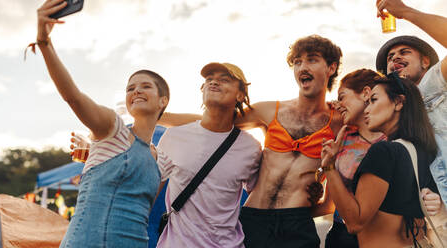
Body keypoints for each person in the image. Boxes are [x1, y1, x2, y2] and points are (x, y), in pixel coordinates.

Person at [159, 35, 343, 247]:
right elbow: (215, 120)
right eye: (298, 62)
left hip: (297, 224)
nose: (303, 67)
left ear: (331, 67)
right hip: (255, 219)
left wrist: (309, 201)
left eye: (312, 59)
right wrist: (158, 116)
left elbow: (332, 197)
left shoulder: (340, 121)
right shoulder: (269, 110)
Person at [35, 0, 175, 246]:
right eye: (130, 88)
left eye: (145, 86)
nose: (136, 91)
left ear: (163, 100)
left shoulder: (161, 161)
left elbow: (143, 212)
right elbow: (74, 97)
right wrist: (45, 43)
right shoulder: (112, 128)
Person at [321, 74, 439, 247]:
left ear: (399, 102)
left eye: (374, 100)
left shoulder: (383, 151)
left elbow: (355, 222)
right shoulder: (423, 151)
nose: (367, 110)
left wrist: (329, 166)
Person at [156, 63, 262, 247]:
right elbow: (149, 192)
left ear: (240, 95)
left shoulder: (251, 147)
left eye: (224, 80)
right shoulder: (174, 136)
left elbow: (259, 196)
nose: (213, 82)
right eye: (209, 80)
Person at [375, 0, 447, 205]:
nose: (394, 58)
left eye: (404, 52)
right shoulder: (393, 109)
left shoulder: (432, 82)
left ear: (425, 62)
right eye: (390, 57)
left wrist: (405, 12)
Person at [321, 69, 387, 248]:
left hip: (378, 238)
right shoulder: (342, 138)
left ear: (366, 93)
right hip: (339, 235)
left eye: (342, 96)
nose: (338, 103)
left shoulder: (392, 141)